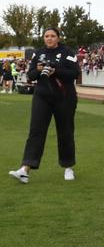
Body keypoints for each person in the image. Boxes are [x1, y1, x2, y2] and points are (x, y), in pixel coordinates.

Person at [9, 27, 80, 183]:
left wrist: (55, 70)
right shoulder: (38, 53)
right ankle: (25, 169)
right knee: (36, 131)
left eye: (52, 36)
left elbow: (75, 74)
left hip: (64, 98)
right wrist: (39, 69)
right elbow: (31, 75)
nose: (49, 38)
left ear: (58, 38)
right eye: (46, 36)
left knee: (65, 132)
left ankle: (68, 168)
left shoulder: (67, 52)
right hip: (42, 97)